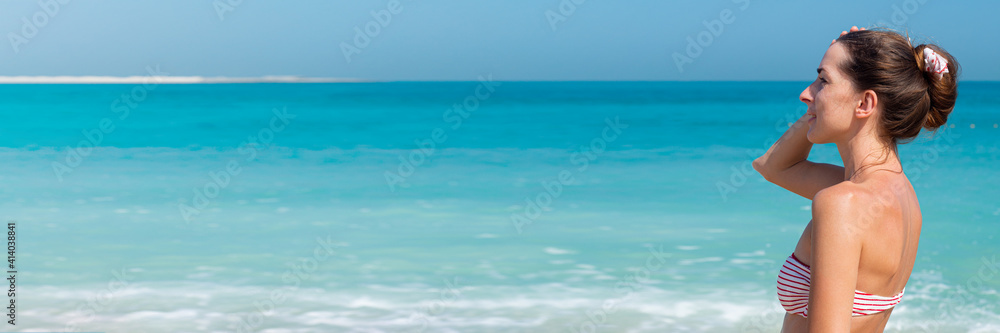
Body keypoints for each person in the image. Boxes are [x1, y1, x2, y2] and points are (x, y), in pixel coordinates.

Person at [752, 26, 959, 332]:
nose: (805, 94)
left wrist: (817, 110)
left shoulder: (842, 203)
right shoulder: (900, 196)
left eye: (823, 81)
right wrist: (816, 108)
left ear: (864, 104)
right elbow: (772, 167)